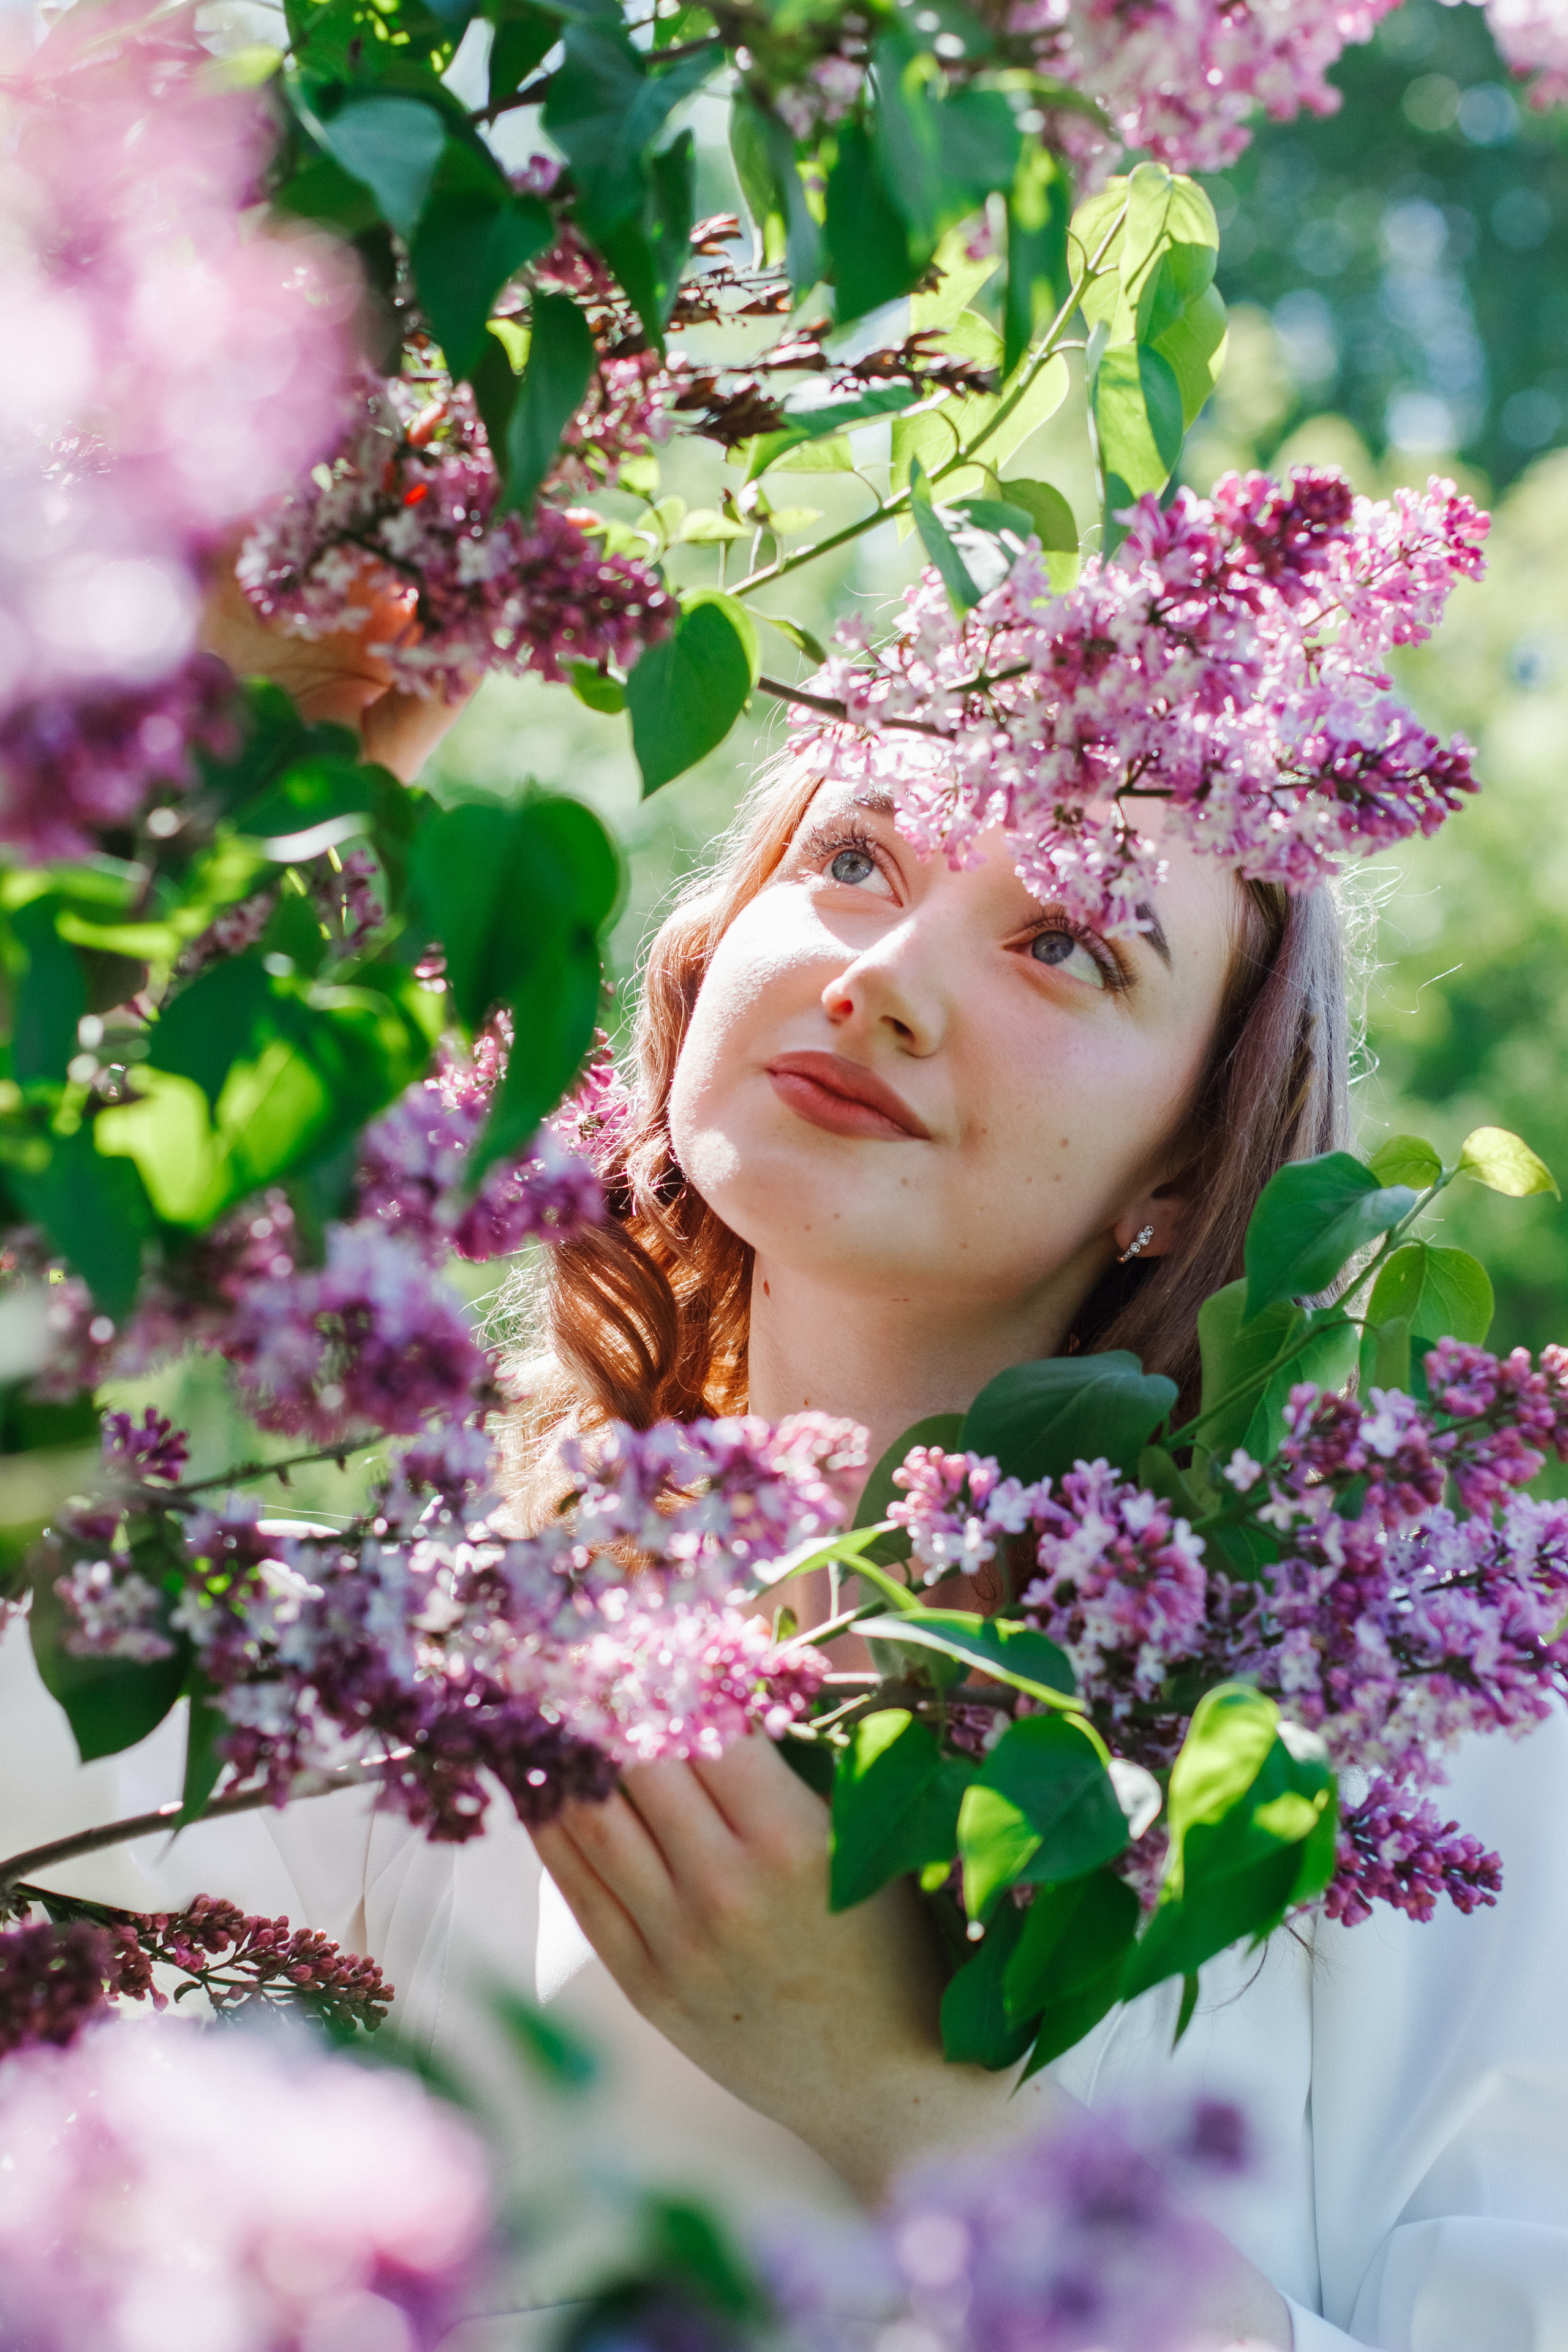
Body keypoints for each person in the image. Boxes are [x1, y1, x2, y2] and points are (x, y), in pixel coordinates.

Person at [6, 603, 1566, 2352]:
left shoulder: (1395, 1729)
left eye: (1065, 944)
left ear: (1184, 1176)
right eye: (851, 854)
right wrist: (156, 872)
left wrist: (901, 2108)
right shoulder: (451, 1664)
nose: (884, 975)